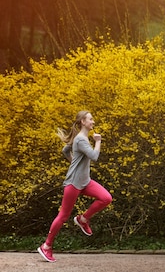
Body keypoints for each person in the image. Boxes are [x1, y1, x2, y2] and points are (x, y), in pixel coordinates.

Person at [37, 111, 112, 263]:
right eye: (91, 119)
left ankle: (83, 219)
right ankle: (46, 246)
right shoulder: (81, 140)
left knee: (106, 198)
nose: (93, 122)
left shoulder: (80, 138)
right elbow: (94, 157)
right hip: (73, 183)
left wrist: (73, 162)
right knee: (63, 216)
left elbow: (65, 150)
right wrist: (98, 141)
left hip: (85, 181)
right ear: (83, 122)